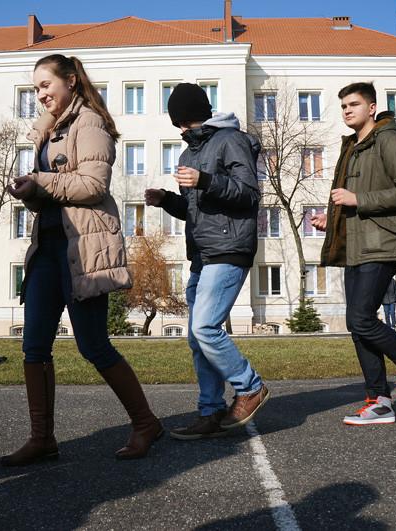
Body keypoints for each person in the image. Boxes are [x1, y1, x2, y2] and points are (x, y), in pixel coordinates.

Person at [1, 54, 163, 465]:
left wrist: (39, 180)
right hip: (48, 248)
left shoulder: (89, 122)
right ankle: (42, 438)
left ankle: (145, 423)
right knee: (33, 345)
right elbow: (55, 194)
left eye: (45, 85)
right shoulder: (49, 131)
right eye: (35, 88)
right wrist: (30, 192)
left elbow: (93, 185)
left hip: (84, 252)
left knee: (94, 346)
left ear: (70, 81)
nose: (39, 95)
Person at [312, 82, 396, 426]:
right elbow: (357, 194)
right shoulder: (352, 147)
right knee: (358, 325)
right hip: (357, 245)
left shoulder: (389, 138)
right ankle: (380, 401)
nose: (347, 110)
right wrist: (332, 218)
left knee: (361, 318)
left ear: (372, 108)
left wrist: (358, 201)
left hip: (383, 242)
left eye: (353, 104)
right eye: (343, 106)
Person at [144, 83, 269, 440]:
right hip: (202, 252)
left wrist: (206, 180)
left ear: (191, 115)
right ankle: (210, 412)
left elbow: (248, 195)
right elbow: (197, 210)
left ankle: (250, 387)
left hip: (229, 249)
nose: (180, 131)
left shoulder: (231, 140)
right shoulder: (188, 155)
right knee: (197, 339)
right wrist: (168, 200)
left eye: (181, 122)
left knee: (206, 328)